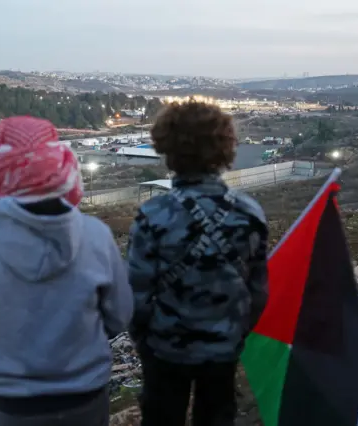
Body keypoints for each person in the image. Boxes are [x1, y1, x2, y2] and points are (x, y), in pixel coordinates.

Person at [0, 116, 133, 426]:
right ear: (60, 165)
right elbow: (119, 317)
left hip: (13, 406)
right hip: (85, 400)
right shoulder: (95, 235)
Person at [127, 101, 269, 426]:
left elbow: (136, 296)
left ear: (167, 147)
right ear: (226, 148)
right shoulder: (250, 212)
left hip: (165, 350)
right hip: (224, 348)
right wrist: (235, 333)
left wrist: (146, 343)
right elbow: (258, 292)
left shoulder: (153, 215)